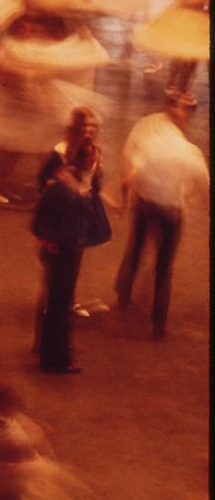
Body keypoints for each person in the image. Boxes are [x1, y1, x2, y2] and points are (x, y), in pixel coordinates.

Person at [115, 95, 209, 339]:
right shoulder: (188, 151)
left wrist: (127, 197)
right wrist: (186, 196)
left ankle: (123, 294)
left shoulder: (147, 130)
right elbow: (203, 185)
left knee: (136, 247)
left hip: (145, 203)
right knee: (164, 266)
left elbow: (130, 163)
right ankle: (158, 323)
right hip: (171, 211)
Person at [31, 143, 109, 373]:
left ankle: (55, 355)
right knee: (59, 306)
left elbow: (39, 219)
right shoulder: (66, 188)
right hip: (63, 252)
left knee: (58, 305)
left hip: (64, 250)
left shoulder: (69, 185)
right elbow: (41, 219)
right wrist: (49, 241)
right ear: (87, 161)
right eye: (96, 160)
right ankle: (57, 359)